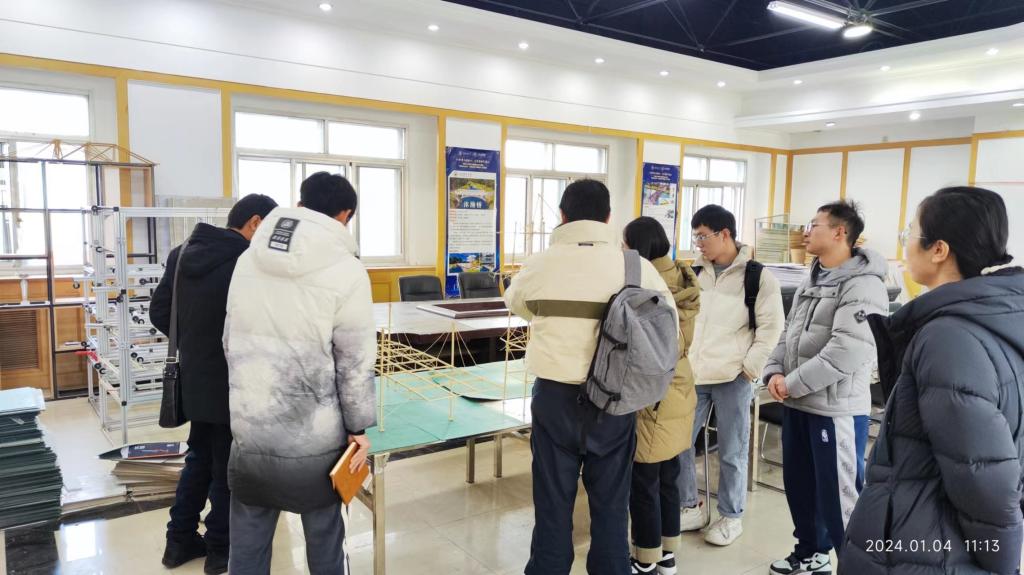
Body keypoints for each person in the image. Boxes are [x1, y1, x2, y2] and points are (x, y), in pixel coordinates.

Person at [841, 187, 1024, 575]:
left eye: (910, 233)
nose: (905, 245)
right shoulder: (994, 317)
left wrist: (999, 558)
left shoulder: (949, 337)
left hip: (923, 548)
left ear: (939, 249)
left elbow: (982, 473)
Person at [504, 179, 676, 575]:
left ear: (562, 216)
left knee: (552, 501)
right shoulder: (636, 266)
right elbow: (667, 330)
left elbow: (518, 304)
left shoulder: (541, 263)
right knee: (612, 504)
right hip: (616, 399)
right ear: (608, 218)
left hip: (555, 398)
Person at [222, 172, 376, 575]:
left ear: (301, 204)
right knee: (325, 538)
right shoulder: (347, 270)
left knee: (248, 541)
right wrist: (358, 427)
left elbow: (229, 340)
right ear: (345, 215)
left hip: (251, 427)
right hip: (315, 436)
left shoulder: (248, 258)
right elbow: (355, 361)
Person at [150, 193, 278, 575]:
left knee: (199, 458)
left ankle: (178, 542)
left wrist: (193, 343)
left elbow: (159, 312)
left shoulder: (182, 253)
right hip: (235, 380)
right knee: (227, 466)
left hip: (193, 379)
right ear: (255, 223)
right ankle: (221, 549)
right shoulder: (249, 261)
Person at [763, 200, 889, 575]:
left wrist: (792, 383)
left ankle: (858, 567)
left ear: (839, 232)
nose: (806, 232)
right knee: (800, 488)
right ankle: (811, 553)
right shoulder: (814, 276)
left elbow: (847, 350)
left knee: (840, 500)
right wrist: (773, 370)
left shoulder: (864, 285)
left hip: (835, 411)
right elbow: (788, 332)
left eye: (813, 225)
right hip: (799, 404)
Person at [677, 205, 784, 546]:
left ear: (725, 234)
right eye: (695, 237)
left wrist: (749, 369)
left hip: (733, 377)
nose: (698, 244)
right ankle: (690, 505)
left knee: (732, 451)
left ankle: (730, 516)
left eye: (703, 236)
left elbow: (771, 328)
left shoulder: (758, 277)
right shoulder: (693, 271)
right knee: (679, 444)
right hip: (694, 374)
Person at [622, 217, 700, 575]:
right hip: (681, 384)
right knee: (668, 477)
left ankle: (645, 558)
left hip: (654, 392)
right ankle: (668, 553)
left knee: (643, 482)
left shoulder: (648, 286)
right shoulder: (681, 277)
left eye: (625, 244)